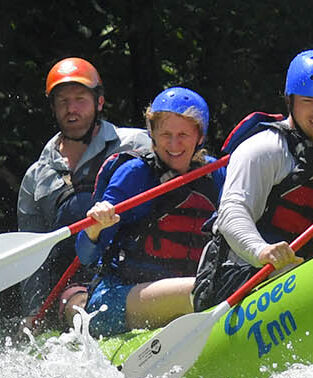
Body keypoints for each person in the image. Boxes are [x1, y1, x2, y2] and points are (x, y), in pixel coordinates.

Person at [192, 49, 313, 311]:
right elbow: (232, 212)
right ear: (291, 101)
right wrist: (261, 250)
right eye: (308, 100)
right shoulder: (265, 149)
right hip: (239, 280)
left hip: (305, 281)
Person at [75, 87, 224, 336]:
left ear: (199, 136)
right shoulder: (134, 174)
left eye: (183, 134)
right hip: (114, 300)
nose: (174, 144)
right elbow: (85, 256)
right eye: (165, 134)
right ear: (152, 134)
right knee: (209, 288)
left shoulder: (215, 174)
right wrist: (94, 228)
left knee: (216, 284)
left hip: (188, 293)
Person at [17, 57, 151, 322]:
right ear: (53, 108)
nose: (72, 109)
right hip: (75, 285)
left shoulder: (136, 144)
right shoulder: (36, 177)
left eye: (80, 99)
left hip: (136, 269)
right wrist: (33, 314)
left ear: (99, 102)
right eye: (63, 102)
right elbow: (32, 258)